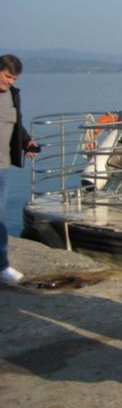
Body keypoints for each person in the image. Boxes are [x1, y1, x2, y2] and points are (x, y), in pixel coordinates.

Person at [0, 54, 39, 284]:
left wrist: (26, 142)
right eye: (7, 76)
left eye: (14, 78)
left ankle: (2, 267)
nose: (10, 81)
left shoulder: (12, 95)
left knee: (0, 218)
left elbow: (16, 124)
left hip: (2, 165)